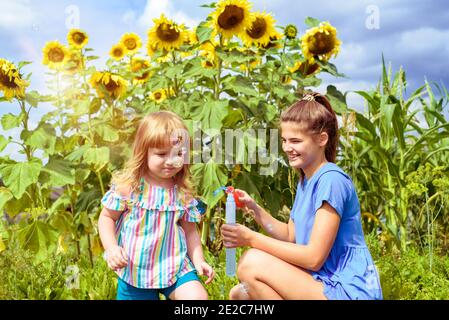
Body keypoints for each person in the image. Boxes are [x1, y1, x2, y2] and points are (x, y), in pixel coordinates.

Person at [221, 92, 383, 300]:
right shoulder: (306, 180)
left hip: (347, 290)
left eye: (296, 141)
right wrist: (255, 209)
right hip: (323, 282)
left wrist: (251, 238)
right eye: (284, 140)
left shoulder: (331, 180)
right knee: (240, 294)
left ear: (322, 139)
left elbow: (314, 257)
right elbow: (291, 236)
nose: (288, 148)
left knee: (251, 262)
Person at [98, 111, 214, 300]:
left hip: (174, 267)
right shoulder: (130, 188)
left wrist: (199, 260)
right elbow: (107, 217)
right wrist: (111, 248)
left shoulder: (182, 192)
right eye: (161, 154)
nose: (171, 161)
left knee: (197, 298)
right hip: (135, 271)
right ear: (143, 153)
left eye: (178, 154)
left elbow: (190, 231)